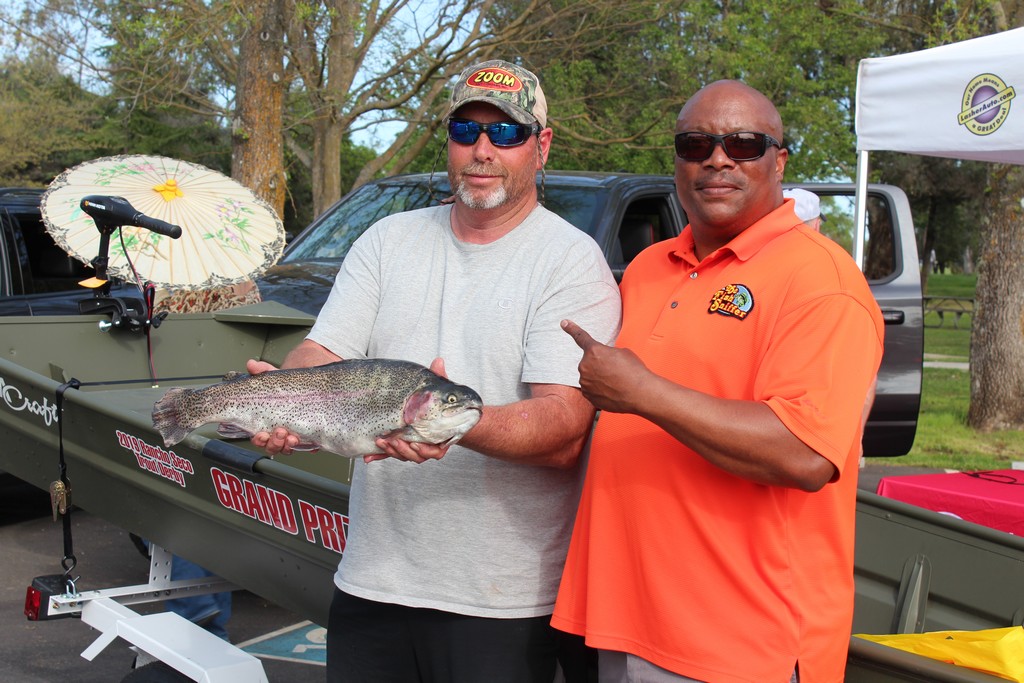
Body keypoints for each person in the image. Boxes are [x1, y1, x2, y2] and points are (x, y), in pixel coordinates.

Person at [247, 59, 620, 682]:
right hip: (372, 581)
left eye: (506, 134)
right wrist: (286, 400)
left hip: (502, 603)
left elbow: (563, 431)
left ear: (541, 146)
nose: (481, 150)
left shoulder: (570, 263)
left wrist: (437, 420)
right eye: (465, 130)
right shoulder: (387, 240)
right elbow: (322, 354)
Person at [552, 80, 883, 683]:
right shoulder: (650, 267)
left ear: (779, 160)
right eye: (695, 143)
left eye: (744, 143)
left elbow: (806, 453)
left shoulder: (821, 281)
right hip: (625, 623)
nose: (717, 158)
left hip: (742, 646)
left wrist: (643, 393)